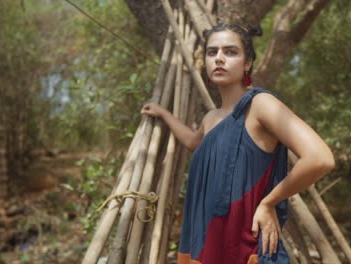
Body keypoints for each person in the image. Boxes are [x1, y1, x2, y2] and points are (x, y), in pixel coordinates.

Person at [141, 23, 334, 264]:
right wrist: (164, 113)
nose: (219, 58)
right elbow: (193, 142)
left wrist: (269, 202)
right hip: (205, 244)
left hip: (244, 248)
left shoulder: (259, 105)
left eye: (230, 52)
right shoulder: (211, 118)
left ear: (248, 62)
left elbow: (320, 158)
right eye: (212, 52)